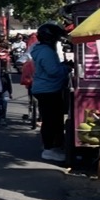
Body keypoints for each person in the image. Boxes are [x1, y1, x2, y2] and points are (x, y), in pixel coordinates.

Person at [30, 23, 71, 163]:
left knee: (53, 119)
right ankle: (48, 149)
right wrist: (66, 68)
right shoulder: (46, 52)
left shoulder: (42, 50)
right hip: (48, 89)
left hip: (46, 88)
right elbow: (53, 71)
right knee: (51, 120)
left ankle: (52, 147)